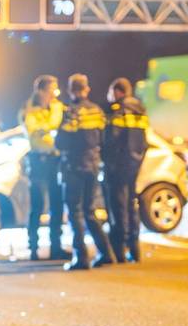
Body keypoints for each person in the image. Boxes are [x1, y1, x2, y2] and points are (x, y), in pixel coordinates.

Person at [55, 73, 114, 271]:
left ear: (71, 90)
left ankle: (81, 258)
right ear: (86, 89)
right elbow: (104, 139)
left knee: (75, 212)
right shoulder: (97, 111)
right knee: (90, 211)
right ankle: (106, 253)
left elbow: (61, 141)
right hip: (93, 166)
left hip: (74, 167)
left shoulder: (72, 112)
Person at [21, 75, 70, 261]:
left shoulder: (57, 107)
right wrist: (49, 125)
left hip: (54, 160)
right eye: (51, 90)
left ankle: (55, 247)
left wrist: (48, 125)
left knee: (57, 205)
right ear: (40, 91)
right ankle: (33, 247)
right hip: (38, 161)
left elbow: (56, 126)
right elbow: (34, 129)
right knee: (38, 205)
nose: (54, 95)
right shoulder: (29, 109)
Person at [102, 78, 149, 263]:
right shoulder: (141, 111)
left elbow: (111, 140)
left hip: (117, 166)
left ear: (118, 92)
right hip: (134, 164)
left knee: (117, 207)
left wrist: (107, 161)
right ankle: (134, 248)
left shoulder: (118, 110)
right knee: (131, 205)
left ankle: (119, 249)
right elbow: (143, 141)